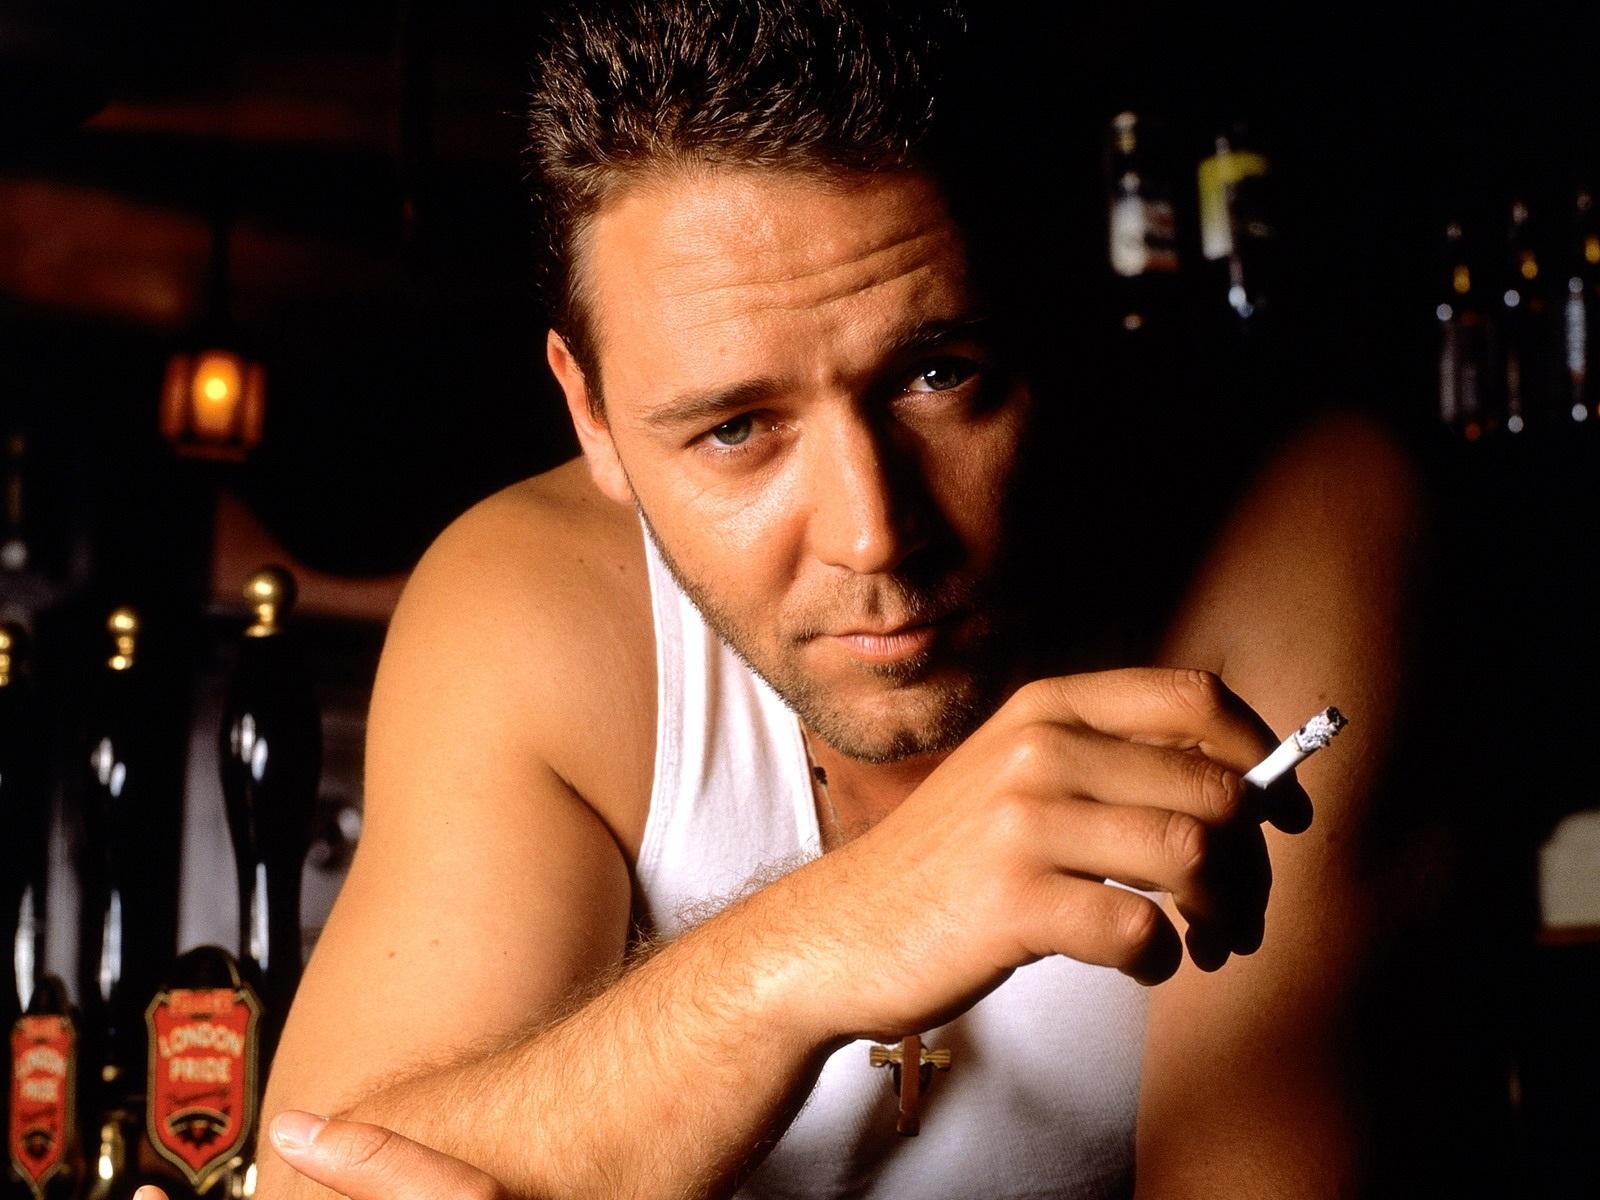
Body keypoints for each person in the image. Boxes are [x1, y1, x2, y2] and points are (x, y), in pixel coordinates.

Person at [146, 1, 1420, 1196]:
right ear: (592, 416)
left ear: (1048, 317)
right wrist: (807, 954)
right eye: (736, 429)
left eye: (937, 374)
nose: (873, 534)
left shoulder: (1292, 525)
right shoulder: (532, 602)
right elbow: (315, 1181)